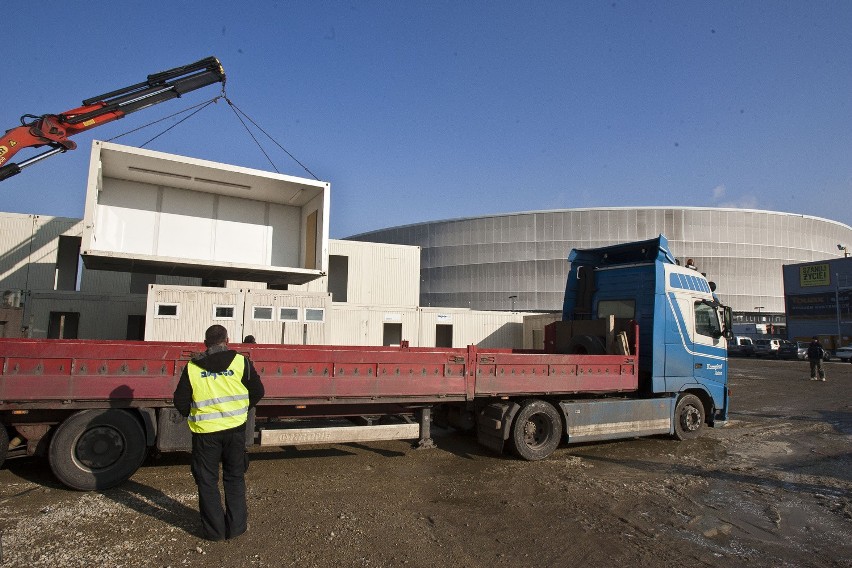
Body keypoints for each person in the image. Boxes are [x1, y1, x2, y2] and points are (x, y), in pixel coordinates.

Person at [173, 325, 265, 541]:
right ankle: (236, 528)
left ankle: (214, 532)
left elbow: (180, 401)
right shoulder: (241, 362)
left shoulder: (193, 367)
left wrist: (194, 414)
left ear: (205, 343)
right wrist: (241, 409)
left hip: (206, 434)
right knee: (234, 478)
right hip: (234, 430)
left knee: (207, 481)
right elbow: (258, 391)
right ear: (227, 340)